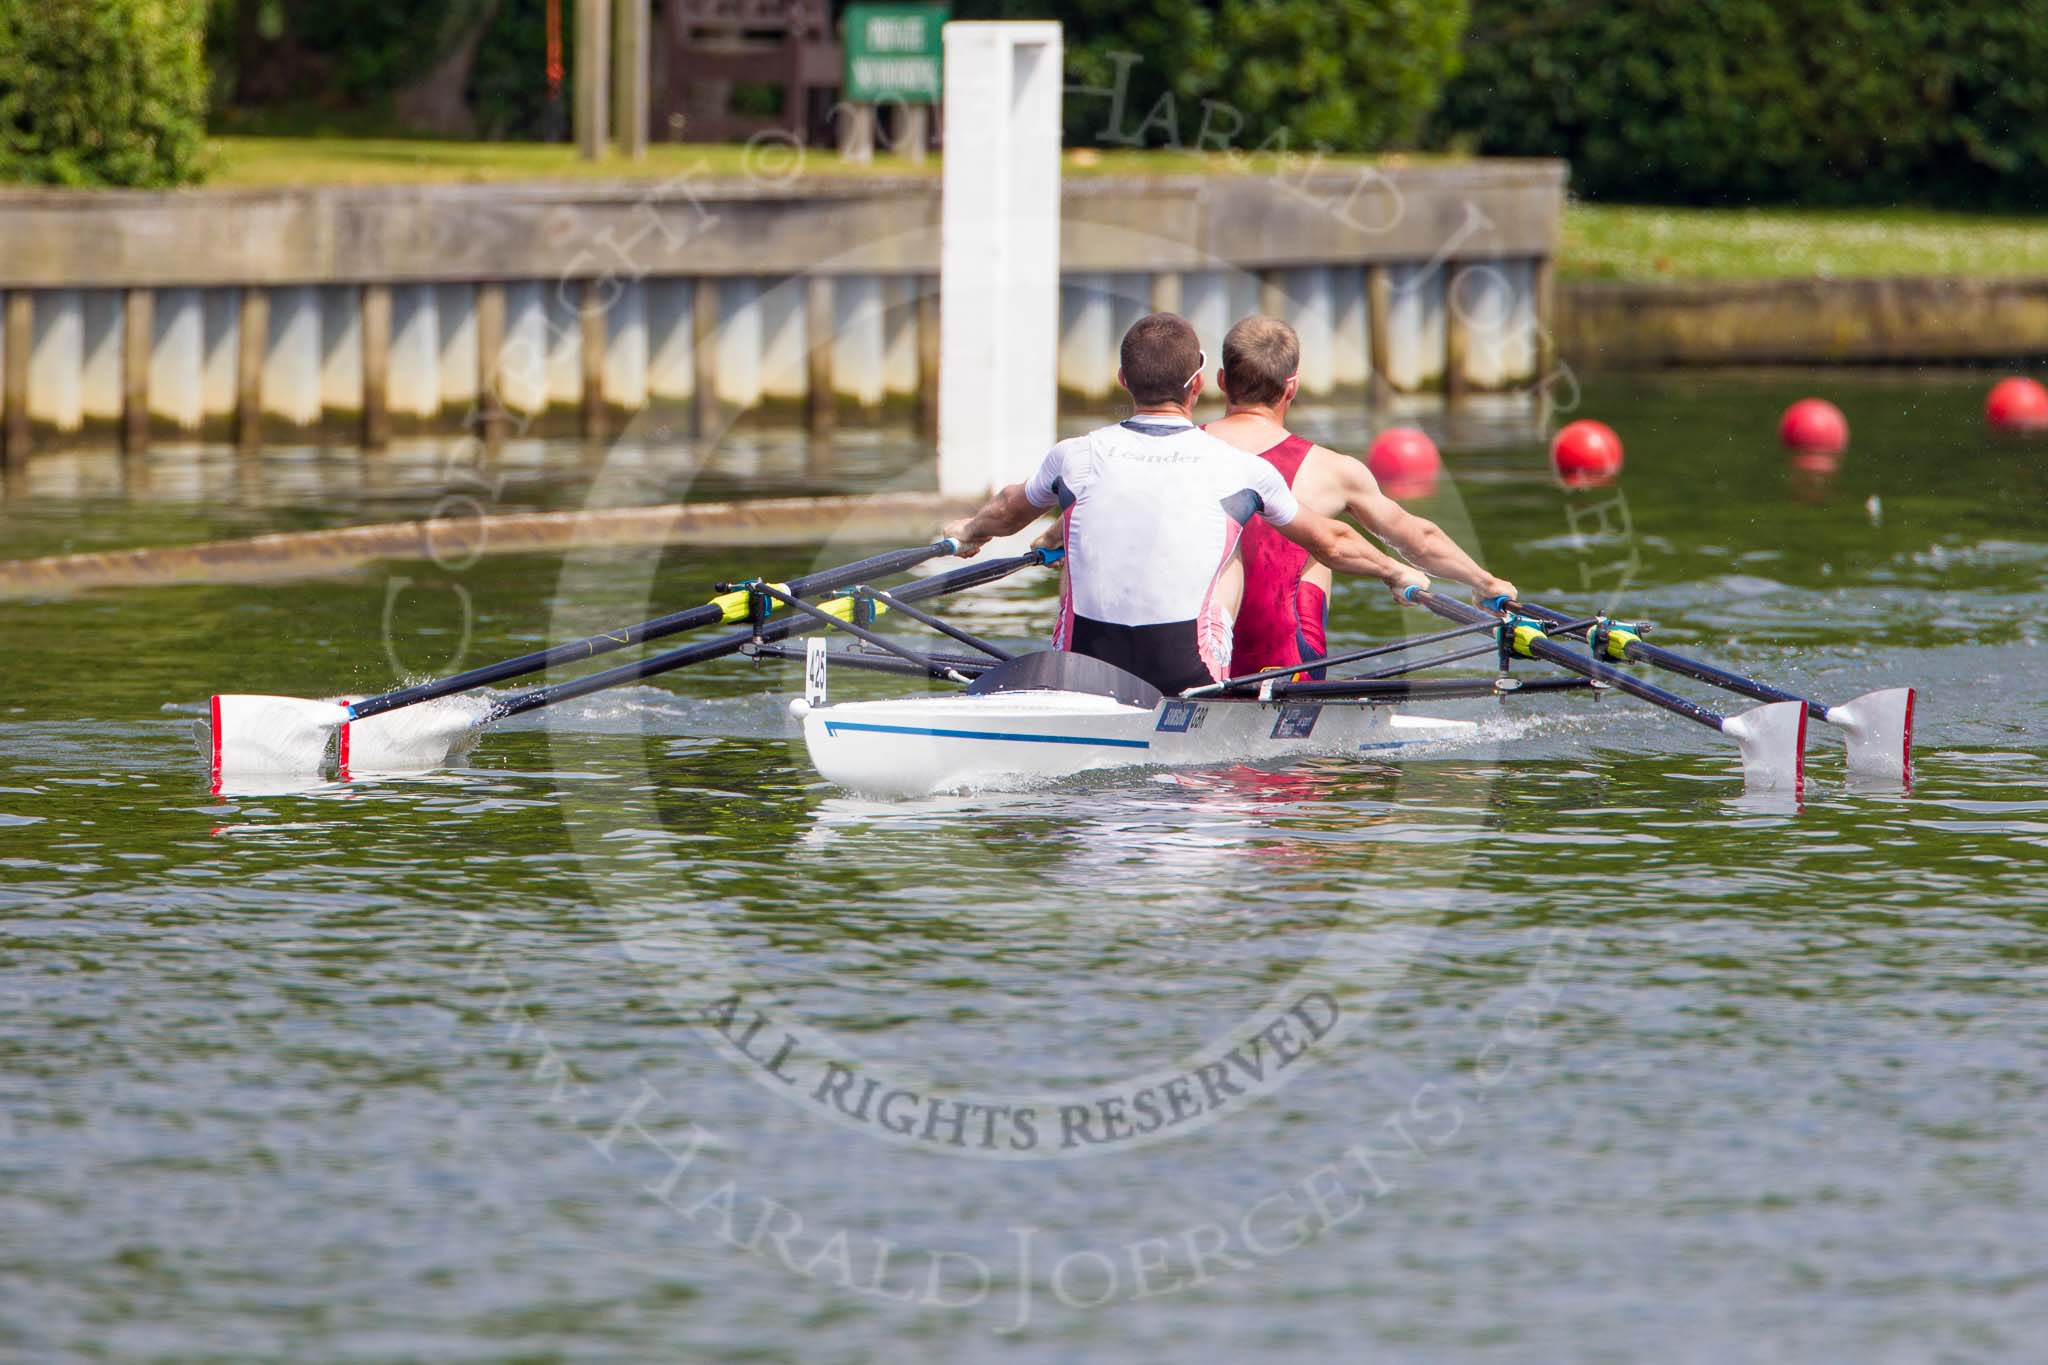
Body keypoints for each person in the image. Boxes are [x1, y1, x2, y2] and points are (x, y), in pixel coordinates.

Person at [942, 313, 1428, 695]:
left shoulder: (1074, 455)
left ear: (1122, 380)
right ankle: (1232, 683)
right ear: (1198, 385)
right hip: (1186, 675)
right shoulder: (1240, 467)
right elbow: (1333, 540)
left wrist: (969, 532)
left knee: (1076, 528)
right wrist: (1396, 573)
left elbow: (1008, 508)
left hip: (1085, 666)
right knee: (1237, 544)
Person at [1203, 315, 1517, 678]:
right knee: (1315, 546)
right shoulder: (1331, 470)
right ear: (1292, 387)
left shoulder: (1182, 451)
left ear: (1222, 381)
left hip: (1195, 662)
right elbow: (1418, 539)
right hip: (1281, 668)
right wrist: (1484, 582)